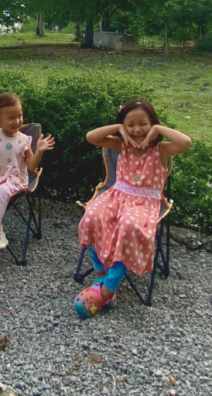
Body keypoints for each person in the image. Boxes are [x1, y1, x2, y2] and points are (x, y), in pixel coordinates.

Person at [75, 98, 192, 318]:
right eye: (130, 124)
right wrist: (119, 128)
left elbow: (185, 142)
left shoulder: (162, 150)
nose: (137, 129)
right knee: (92, 216)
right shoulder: (122, 145)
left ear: (152, 124)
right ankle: (101, 275)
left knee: (128, 225)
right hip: (117, 195)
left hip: (145, 202)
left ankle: (108, 288)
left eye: (143, 123)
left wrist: (158, 129)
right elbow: (91, 137)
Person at [0, 93, 55, 253]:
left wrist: (39, 151)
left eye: (19, 116)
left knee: (1, 191)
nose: (17, 121)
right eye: (11, 118)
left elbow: (30, 165)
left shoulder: (24, 140)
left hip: (14, 179)